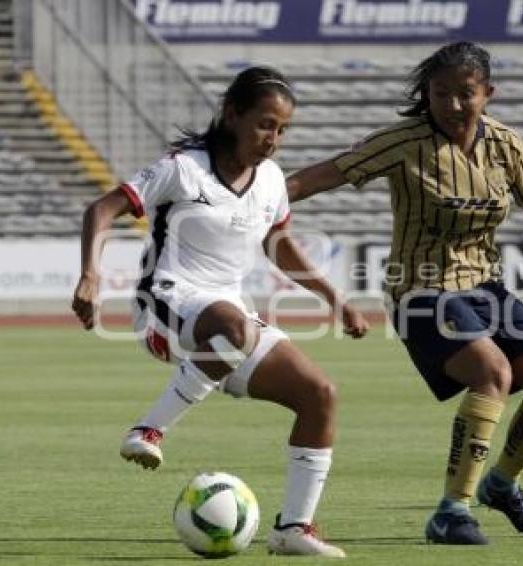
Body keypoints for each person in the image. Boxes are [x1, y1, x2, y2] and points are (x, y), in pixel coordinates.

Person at [286, 42, 523, 545]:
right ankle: (451, 512)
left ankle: (502, 485)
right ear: (428, 94)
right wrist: (251, 198)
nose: (453, 104)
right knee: (493, 372)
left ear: (488, 93)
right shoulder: (403, 141)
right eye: (441, 93)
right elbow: (325, 173)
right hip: (420, 291)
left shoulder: (507, 146)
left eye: (466, 93)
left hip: (485, 285)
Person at [71, 66, 368, 558]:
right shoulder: (183, 168)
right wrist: (90, 275)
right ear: (232, 114)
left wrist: (335, 301)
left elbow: (279, 245)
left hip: (226, 322)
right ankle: (149, 429)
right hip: (164, 304)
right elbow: (100, 210)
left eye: (282, 129)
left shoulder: (270, 180)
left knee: (320, 394)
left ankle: (294, 528)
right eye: (264, 124)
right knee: (235, 329)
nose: (272, 138)